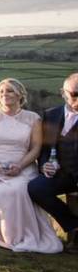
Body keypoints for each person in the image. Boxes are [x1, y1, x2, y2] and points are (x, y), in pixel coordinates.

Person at [0, 79, 61, 253]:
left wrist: (20, 166)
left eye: (10, 91)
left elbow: (36, 147)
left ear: (20, 94)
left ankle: (22, 235)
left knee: (19, 189)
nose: (5, 95)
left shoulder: (33, 118)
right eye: (1, 92)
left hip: (23, 165)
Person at [28, 72, 78, 249]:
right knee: (35, 187)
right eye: (75, 94)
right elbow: (44, 149)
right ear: (63, 93)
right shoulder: (51, 115)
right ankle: (73, 224)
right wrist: (44, 165)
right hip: (62, 175)